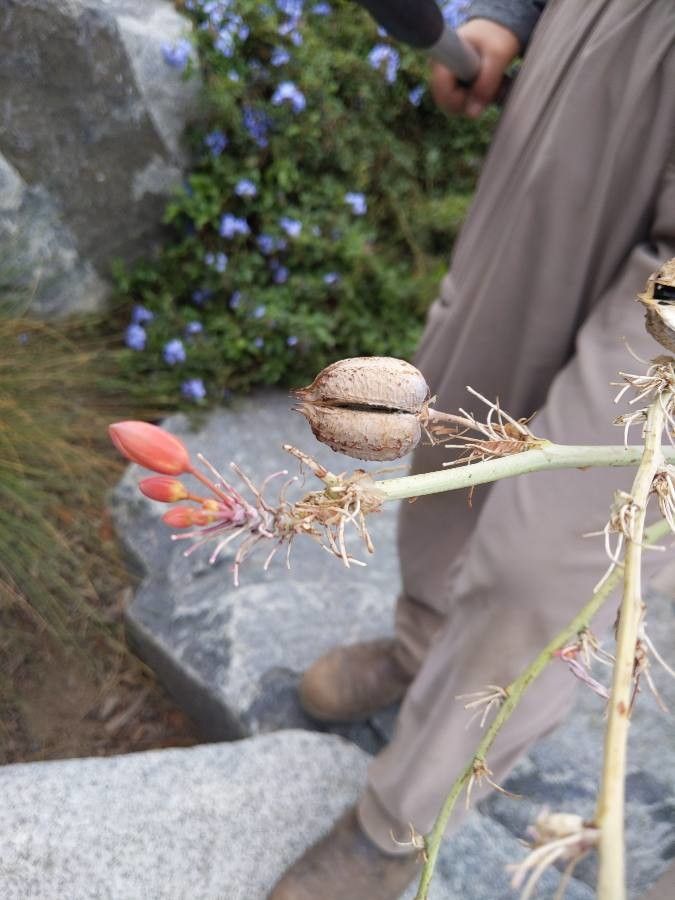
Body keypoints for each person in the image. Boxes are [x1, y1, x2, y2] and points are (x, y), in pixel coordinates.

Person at [269, 0, 675, 897]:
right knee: (462, 404)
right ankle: (424, 645)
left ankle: (398, 820)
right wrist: (510, 16)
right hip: (603, 48)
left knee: (559, 547)